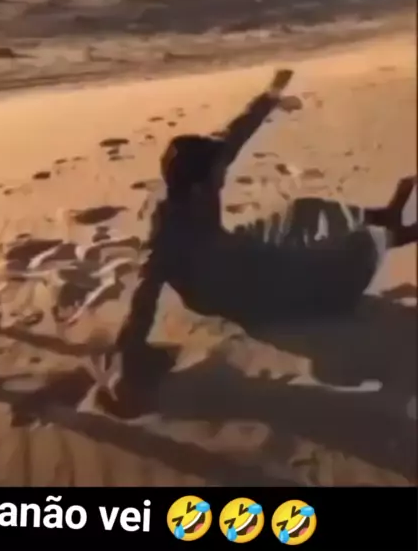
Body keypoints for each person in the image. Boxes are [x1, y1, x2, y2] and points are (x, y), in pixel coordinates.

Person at [98, 70, 417, 417]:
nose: (223, 172)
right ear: (199, 187)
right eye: (217, 173)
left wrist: (270, 96)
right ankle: (393, 235)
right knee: (336, 265)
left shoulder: (195, 177)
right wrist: (126, 364)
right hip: (237, 292)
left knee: (302, 211)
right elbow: (144, 297)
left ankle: (382, 218)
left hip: (237, 251)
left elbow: (233, 136)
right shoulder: (169, 233)